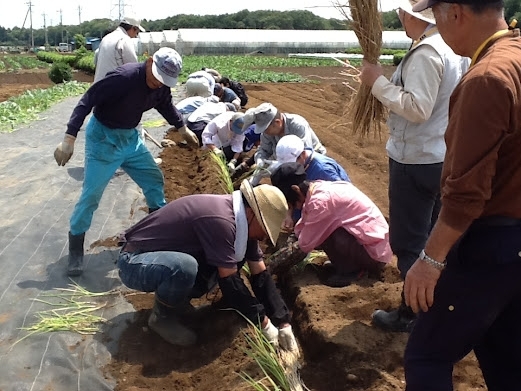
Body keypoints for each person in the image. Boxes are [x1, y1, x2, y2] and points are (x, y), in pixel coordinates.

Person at [399, 0, 521, 389]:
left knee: (427, 355)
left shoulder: (486, 78)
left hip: (492, 242)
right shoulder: (515, 54)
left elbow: (466, 194)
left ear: (455, 12)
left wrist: (429, 260)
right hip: (514, 243)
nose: (434, 24)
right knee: (507, 355)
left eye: (434, 14)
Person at [359, 0, 469, 332]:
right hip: (440, 156)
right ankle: (442, 310)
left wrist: (377, 82)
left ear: (413, 15)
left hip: (414, 160)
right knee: (436, 243)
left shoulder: (425, 53)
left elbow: (417, 108)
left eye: (402, 13)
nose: (400, 17)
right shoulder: (452, 48)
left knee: (410, 245)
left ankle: (413, 315)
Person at [53, 48, 199, 277]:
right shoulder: (123, 78)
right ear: (150, 62)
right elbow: (87, 100)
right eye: (157, 78)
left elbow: (165, 104)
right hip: (104, 140)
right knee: (91, 195)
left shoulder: (160, 87)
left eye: (164, 82)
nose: (158, 84)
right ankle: (75, 249)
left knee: (153, 179)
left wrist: (182, 128)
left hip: (130, 139)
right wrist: (69, 139)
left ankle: (156, 233)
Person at [117, 179, 299, 352]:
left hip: (161, 259)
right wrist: (265, 324)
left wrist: (283, 321)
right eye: (265, 229)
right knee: (186, 267)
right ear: (252, 213)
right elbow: (229, 280)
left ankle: (177, 303)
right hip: (135, 261)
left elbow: (260, 273)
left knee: (220, 266)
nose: (264, 237)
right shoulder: (222, 221)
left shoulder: (242, 223)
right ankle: (161, 317)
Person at [269, 163, 392, 287]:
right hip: (369, 244)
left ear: (295, 189)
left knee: (330, 233)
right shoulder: (316, 189)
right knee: (324, 231)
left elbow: (303, 246)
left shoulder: (320, 202)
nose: (290, 206)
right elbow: (301, 229)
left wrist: (270, 267)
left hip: (374, 253)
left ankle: (354, 271)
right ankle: (345, 265)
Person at [243, 102, 327, 169]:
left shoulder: (297, 125)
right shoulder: (267, 132)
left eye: (266, 129)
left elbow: (303, 156)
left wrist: (279, 165)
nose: (265, 132)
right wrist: (259, 159)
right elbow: (264, 150)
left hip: (312, 162)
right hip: (288, 161)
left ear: (277, 123)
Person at [276, 134, 350, 182]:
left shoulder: (323, 170)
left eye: (292, 163)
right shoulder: (305, 163)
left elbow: (341, 195)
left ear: (303, 154)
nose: (290, 167)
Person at [93, 16, 145, 83]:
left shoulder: (106, 38)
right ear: (133, 28)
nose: (135, 36)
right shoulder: (124, 40)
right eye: (136, 33)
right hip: (112, 86)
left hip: (98, 85)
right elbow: (133, 68)